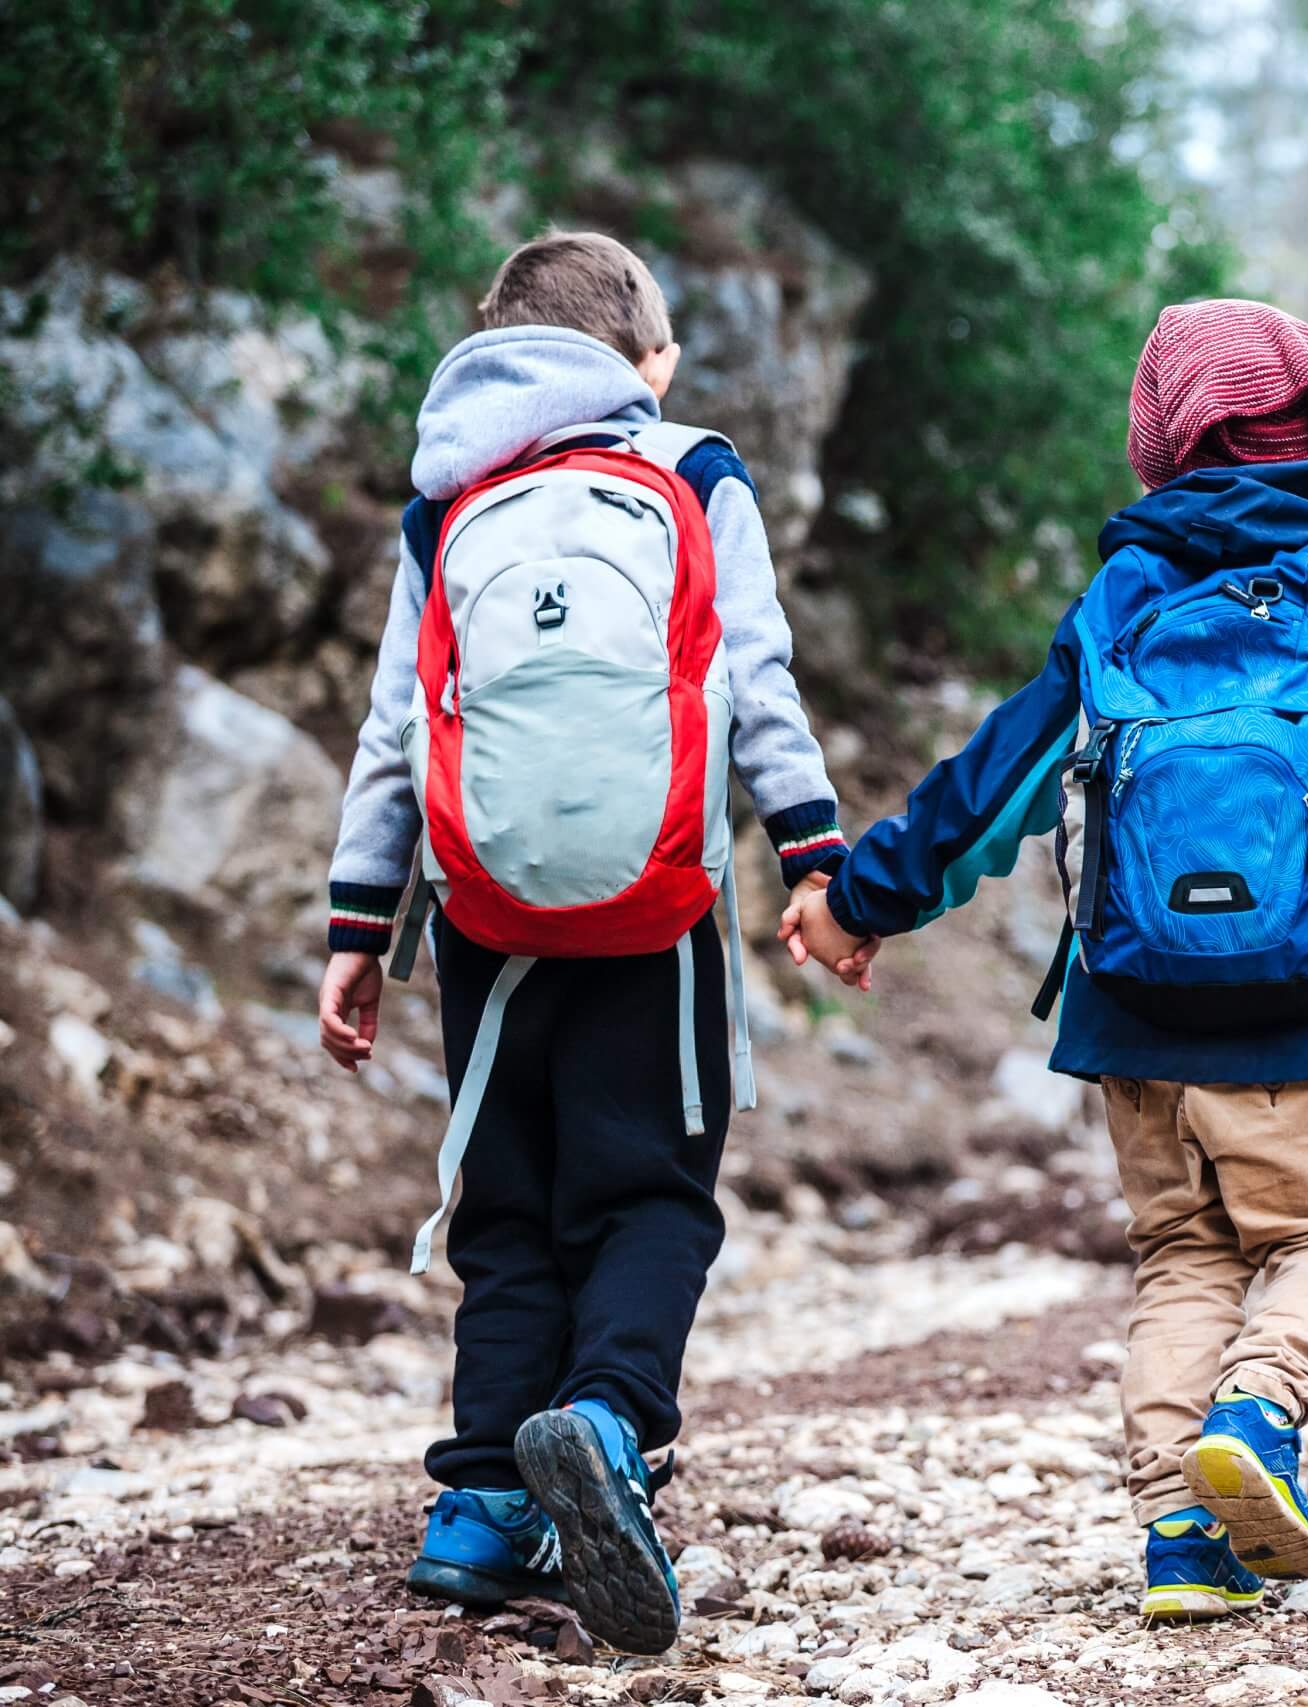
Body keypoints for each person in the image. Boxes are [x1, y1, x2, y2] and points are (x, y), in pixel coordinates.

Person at [782, 298, 1308, 1622]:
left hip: (1132, 1015)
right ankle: (1260, 1417)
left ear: (1162, 436)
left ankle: (1182, 1528)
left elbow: (994, 782)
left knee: (1184, 1258)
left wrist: (864, 899)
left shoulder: (1123, 600)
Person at [315, 232, 845, 1653]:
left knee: (508, 1213)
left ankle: (481, 1506)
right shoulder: (694, 474)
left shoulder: (447, 504)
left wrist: (359, 930)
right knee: (652, 1196)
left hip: (485, 916)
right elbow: (755, 678)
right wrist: (815, 857)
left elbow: (392, 734)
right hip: (659, 908)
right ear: (651, 362)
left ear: (493, 346)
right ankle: (608, 1425)